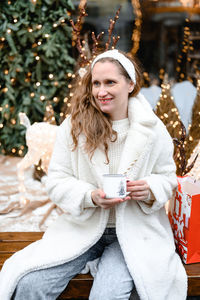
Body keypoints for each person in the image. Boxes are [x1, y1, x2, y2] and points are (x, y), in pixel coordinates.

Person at [0, 49, 187, 300]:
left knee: (108, 294)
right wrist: (90, 196)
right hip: (84, 227)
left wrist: (151, 189)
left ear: (130, 84)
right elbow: (56, 180)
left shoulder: (152, 129)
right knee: (30, 285)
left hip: (135, 231)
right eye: (96, 83)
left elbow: (168, 178)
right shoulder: (75, 126)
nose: (101, 91)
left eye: (110, 82)